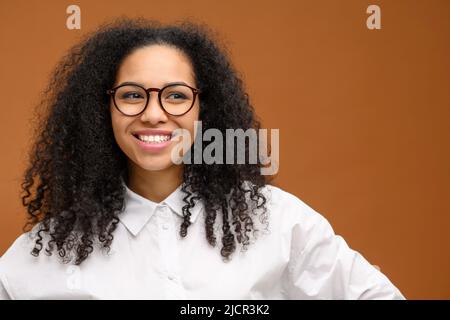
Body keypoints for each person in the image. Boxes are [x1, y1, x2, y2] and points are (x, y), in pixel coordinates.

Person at [0, 17, 404, 299]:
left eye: (176, 95)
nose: (154, 113)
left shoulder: (278, 223)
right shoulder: (48, 250)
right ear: (102, 111)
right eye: (131, 95)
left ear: (203, 110)